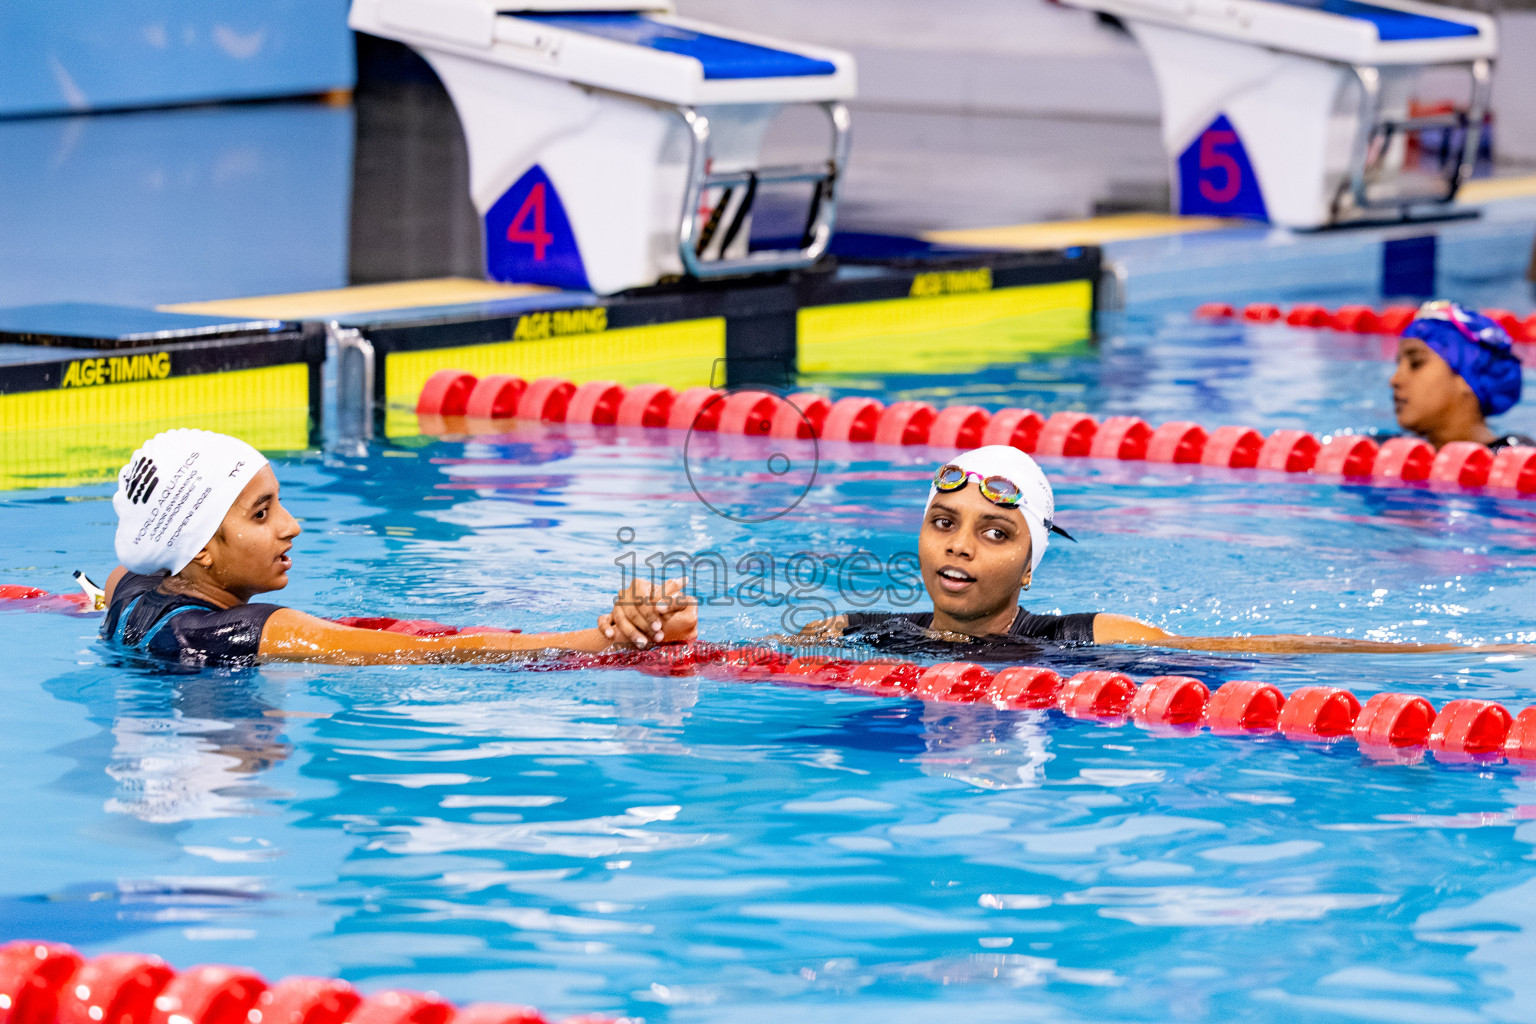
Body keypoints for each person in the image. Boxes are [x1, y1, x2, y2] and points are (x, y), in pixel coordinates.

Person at [802, 444, 1529, 654]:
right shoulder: (858, 633)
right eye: (943, 522)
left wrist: (1472, 658)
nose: (958, 548)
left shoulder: (1081, 640)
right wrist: (682, 642)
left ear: (1031, 565)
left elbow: (1252, 649)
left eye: (995, 532)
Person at [101, 429, 694, 667]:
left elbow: (116, 574)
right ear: (200, 549)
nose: (292, 526)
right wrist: (606, 641)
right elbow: (422, 654)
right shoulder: (249, 630)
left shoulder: (132, 589)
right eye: (262, 514)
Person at [1390, 300, 1532, 452]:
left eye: (1416, 363)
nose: (1394, 380)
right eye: (1399, 364)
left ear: (1467, 378)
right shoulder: (1392, 451)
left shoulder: (1517, 458)